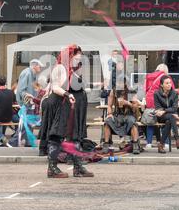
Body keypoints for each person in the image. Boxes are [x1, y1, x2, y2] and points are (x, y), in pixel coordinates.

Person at [41, 44, 93, 178]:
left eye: (80, 55)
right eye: (77, 55)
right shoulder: (60, 68)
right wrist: (68, 94)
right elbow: (55, 87)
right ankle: (52, 168)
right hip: (63, 105)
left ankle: (77, 167)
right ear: (69, 55)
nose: (79, 57)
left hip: (75, 108)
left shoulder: (76, 69)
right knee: (57, 136)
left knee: (75, 137)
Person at [103, 77, 141, 155]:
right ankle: (106, 144)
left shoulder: (131, 92)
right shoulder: (113, 91)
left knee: (132, 122)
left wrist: (127, 103)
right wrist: (109, 114)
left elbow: (136, 106)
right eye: (117, 83)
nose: (119, 85)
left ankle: (135, 144)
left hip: (129, 114)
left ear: (125, 84)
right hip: (118, 114)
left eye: (121, 83)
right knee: (107, 121)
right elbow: (109, 105)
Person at [144, 64, 176, 148]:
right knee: (164, 119)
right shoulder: (165, 77)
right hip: (160, 100)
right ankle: (165, 142)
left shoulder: (149, 76)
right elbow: (171, 89)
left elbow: (146, 89)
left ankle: (149, 143)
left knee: (150, 120)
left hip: (149, 100)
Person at [155, 75, 179, 152]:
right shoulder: (157, 94)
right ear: (162, 85)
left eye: (170, 83)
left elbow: (175, 108)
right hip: (161, 117)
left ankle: (161, 145)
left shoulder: (174, 93)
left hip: (169, 115)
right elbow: (158, 108)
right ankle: (178, 140)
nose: (169, 84)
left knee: (169, 120)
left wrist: (165, 111)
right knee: (172, 117)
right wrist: (167, 111)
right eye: (167, 83)